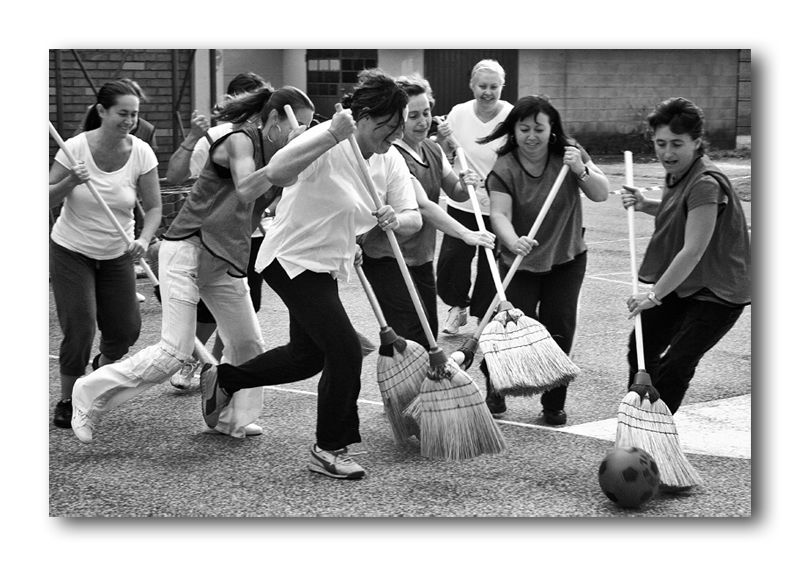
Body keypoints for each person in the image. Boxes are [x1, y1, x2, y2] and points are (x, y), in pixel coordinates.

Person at [200, 69, 421, 480]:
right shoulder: (328, 140)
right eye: (388, 127)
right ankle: (330, 447)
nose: (394, 136)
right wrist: (330, 136)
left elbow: (413, 218)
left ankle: (226, 377)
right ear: (365, 117)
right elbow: (276, 173)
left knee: (307, 357)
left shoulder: (390, 159)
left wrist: (396, 218)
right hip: (291, 259)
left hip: (329, 266)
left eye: (398, 128)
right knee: (344, 350)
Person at [70, 85, 317, 443]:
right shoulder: (240, 141)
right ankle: (88, 393)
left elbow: (289, 187)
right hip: (189, 248)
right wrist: (292, 154)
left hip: (226, 258)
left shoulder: (279, 156)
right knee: (175, 351)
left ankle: (231, 418)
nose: (302, 134)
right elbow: (247, 188)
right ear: (276, 119)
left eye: (309, 128)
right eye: (300, 125)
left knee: (248, 343)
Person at [479, 94, 609, 425]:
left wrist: (580, 168)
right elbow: (499, 214)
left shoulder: (569, 156)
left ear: (552, 130)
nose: (531, 136)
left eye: (539, 128)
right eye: (524, 129)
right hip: (519, 260)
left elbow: (601, 192)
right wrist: (513, 241)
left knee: (560, 328)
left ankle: (553, 403)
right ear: (515, 131)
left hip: (566, 257)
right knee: (512, 331)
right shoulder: (505, 167)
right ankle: (497, 384)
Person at [622, 97, 750, 414]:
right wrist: (643, 204)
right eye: (660, 143)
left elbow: (692, 250)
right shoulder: (677, 173)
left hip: (720, 289)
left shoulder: (705, 183)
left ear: (696, 141)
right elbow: (678, 213)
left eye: (676, 143)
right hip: (687, 282)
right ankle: (637, 415)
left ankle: (655, 431)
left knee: (677, 362)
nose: (667, 153)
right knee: (641, 348)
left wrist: (653, 295)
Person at [49, 79, 162, 429]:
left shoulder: (141, 152)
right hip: (72, 250)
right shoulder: (73, 149)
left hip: (117, 253)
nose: (129, 120)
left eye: (134, 114)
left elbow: (155, 207)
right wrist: (70, 182)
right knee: (80, 327)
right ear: (101, 111)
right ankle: (69, 399)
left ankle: (100, 372)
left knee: (126, 330)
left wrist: (143, 238)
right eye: (122, 113)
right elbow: (46, 198)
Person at [359, 74, 494, 345]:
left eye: (427, 113)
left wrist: (465, 181)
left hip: (420, 255)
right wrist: (465, 233)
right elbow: (423, 206)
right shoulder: (392, 154)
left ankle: (420, 384)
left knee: (428, 332)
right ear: (399, 117)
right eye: (413, 116)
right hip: (388, 256)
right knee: (411, 332)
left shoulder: (431, 148)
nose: (423, 122)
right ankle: (401, 383)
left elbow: (453, 189)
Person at [163, 71, 270, 389]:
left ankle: (223, 376)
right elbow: (174, 176)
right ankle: (193, 363)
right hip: (211, 237)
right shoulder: (217, 137)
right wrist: (192, 137)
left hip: (248, 237)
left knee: (242, 316)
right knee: (209, 314)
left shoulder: (268, 138)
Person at [434, 59, 513, 334]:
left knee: (491, 264)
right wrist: (443, 138)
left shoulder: (511, 117)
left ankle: (486, 317)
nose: (488, 92)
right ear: (472, 85)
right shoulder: (458, 113)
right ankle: (457, 308)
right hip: (462, 200)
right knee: (452, 260)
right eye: (482, 86)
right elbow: (443, 152)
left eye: (494, 86)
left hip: (499, 205)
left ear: (503, 86)